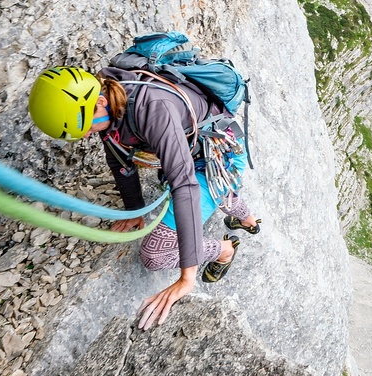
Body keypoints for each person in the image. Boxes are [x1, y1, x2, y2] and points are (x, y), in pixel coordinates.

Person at [27, 65, 260, 330]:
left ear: (100, 102)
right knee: (222, 190)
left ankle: (225, 250)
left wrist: (187, 276)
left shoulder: (153, 109)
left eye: (86, 128)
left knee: (155, 254)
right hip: (208, 151)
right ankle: (250, 221)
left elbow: (184, 185)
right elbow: (118, 159)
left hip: (217, 156)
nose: (89, 134)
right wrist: (135, 209)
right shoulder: (111, 102)